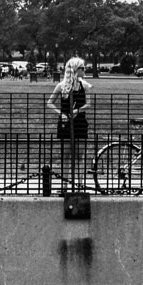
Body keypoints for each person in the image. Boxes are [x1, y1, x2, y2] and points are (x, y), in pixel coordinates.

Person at [48, 55, 92, 186]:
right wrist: (60, 113)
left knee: (80, 156)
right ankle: (64, 184)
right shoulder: (61, 86)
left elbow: (88, 104)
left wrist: (77, 110)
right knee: (65, 156)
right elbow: (50, 102)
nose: (84, 70)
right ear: (75, 69)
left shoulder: (85, 86)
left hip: (80, 123)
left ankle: (80, 184)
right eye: (82, 68)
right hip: (65, 123)